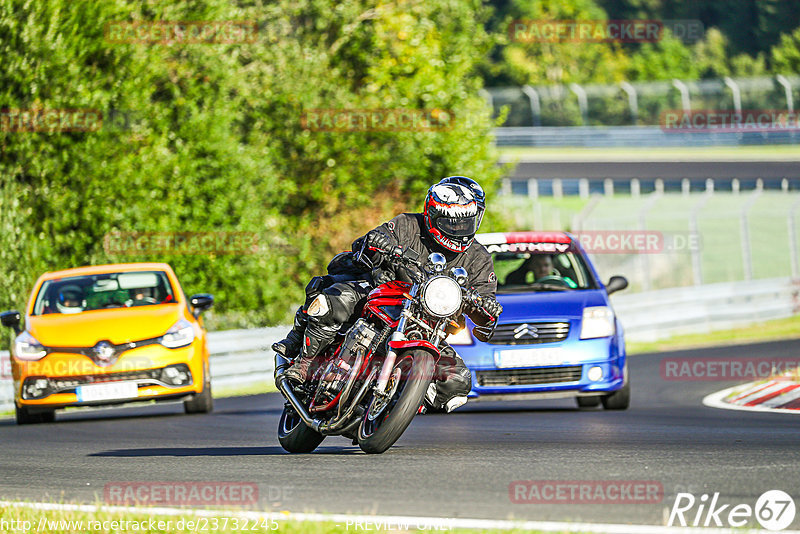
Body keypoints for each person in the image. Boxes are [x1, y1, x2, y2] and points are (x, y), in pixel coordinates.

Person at [272, 176, 502, 412]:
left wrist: (488, 309)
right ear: (432, 215)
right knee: (337, 300)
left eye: (465, 223)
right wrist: (378, 242)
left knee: (457, 381)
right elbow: (368, 244)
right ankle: (306, 363)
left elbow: (485, 309)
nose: (458, 230)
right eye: (450, 223)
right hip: (381, 295)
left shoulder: (479, 258)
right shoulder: (408, 224)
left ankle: (396, 402)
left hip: (426, 325)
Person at [505, 253, 577, 288]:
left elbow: (577, 291)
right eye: (537, 265)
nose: (542, 269)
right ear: (531, 267)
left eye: (546, 265)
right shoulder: (521, 288)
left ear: (552, 266)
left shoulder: (567, 282)